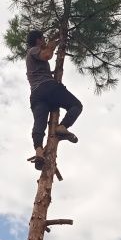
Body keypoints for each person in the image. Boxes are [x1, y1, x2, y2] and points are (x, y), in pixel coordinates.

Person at [26, 30, 83, 170]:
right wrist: (52, 47)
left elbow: (43, 61)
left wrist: (57, 41)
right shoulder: (34, 50)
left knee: (39, 123)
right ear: (38, 40)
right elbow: (46, 55)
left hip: (36, 95)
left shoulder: (30, 58)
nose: (44, 41)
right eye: (43, 39)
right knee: (76, 105)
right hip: (48, 88)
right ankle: (62, 127)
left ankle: (39, 151)